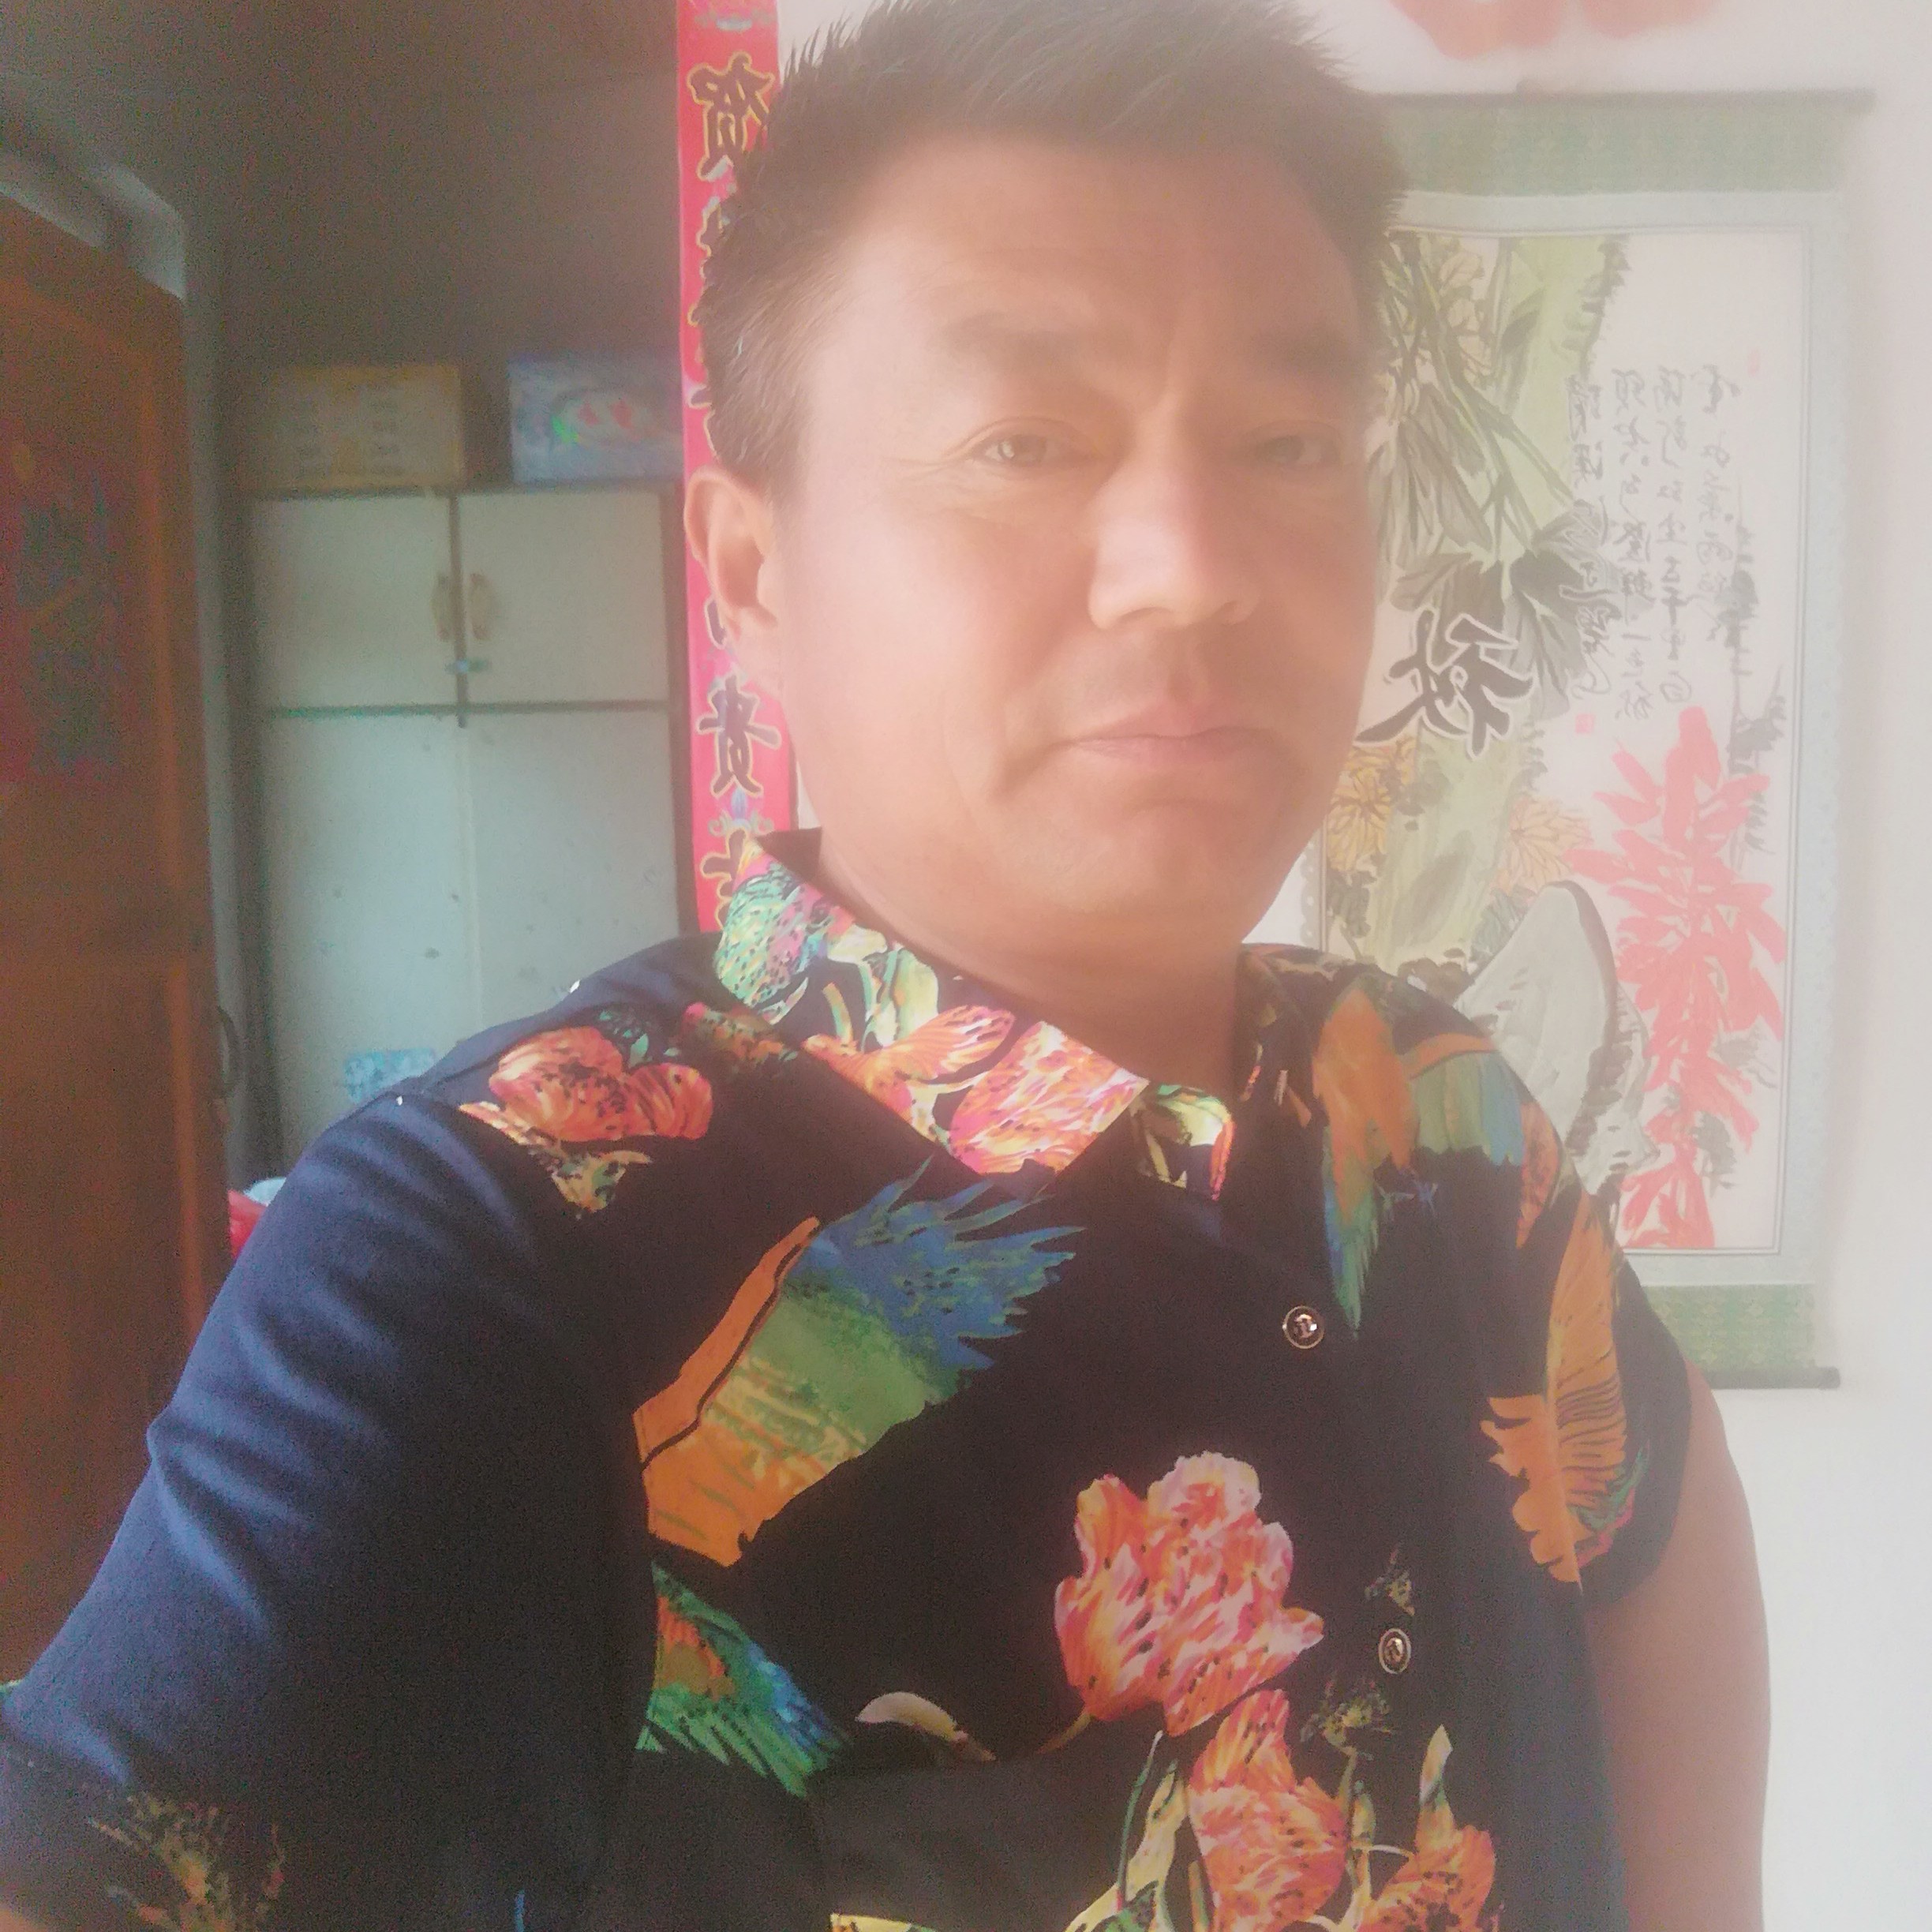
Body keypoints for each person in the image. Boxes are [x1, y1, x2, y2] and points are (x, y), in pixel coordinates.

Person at [0, 2, 1768, 1927]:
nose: (1193, 559)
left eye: (1288, 441)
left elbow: (1653, 1521)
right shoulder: (491, 1254)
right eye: (1025, 440)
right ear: (753, 577)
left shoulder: (1428, 1101)